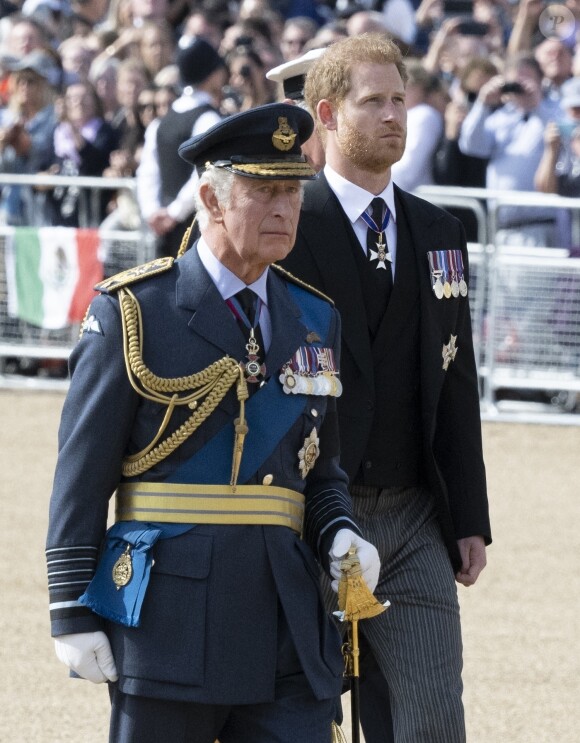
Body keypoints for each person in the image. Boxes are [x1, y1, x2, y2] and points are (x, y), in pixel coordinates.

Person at [45, 101, 380, 743]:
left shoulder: (315, 318)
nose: (286, 209)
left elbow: (320, 468)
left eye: (293, 191)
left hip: (287, 619)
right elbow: (81, 476)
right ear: (212, 198)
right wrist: (68, 611)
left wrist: (338, 530)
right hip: (169, 622)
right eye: (264, 191)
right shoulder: (135, 312)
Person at [281, 34, 491, 743]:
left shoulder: (439, 230)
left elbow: (455, 378)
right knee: (300, 718)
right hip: (300, 513)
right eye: (373, 101)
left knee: (434, 720)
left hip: (412, 518)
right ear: (328, 115)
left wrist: (468, 516)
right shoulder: (287, 222)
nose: (394, 115)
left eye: (400, 99)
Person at [459, 52, 564, 247]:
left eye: (527, 80)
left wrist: (537, 106)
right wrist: (482, 102)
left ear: (541, 80)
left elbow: (563, 136)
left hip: (540, 227)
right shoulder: (499, 118)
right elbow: (470, 145)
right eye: (515, 82)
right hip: (503, 230)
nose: (520, 87)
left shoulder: (553, 111)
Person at [136, 37, 227, 258]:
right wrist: (173, 214)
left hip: (164, 229)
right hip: (197, 230)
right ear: (213, 73)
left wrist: (153, 212)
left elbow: (147, 172)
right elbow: (205, 174)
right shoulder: (208, 119)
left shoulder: (160, 122)